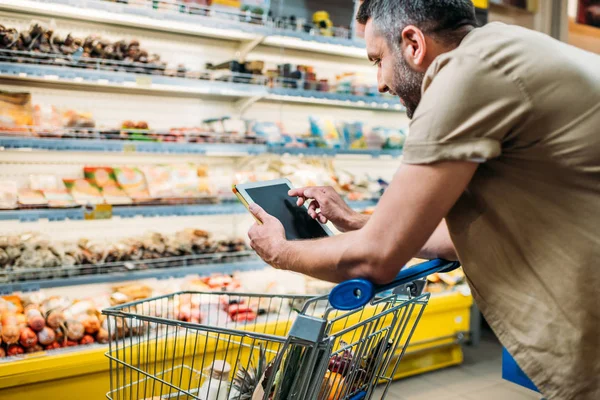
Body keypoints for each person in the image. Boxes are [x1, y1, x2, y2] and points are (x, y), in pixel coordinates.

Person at [246, 1, 600, 399]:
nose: (379, 81)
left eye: (377, 59)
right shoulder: (510, 47)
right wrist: (361, 222)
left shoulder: (468, 72)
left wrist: (280, 251)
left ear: (413, 43)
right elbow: (457, 237)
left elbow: (374, 260)